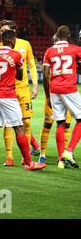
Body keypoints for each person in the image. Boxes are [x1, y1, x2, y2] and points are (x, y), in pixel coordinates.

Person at [0, 29, 46, 171]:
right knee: (19, 128)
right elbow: (19, 76)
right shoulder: (16, 55)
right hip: (8, 95)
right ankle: (29, 163)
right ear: (13, 41)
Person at [0, 20, 40, 166]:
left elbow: (32, 65)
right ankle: (9, 157)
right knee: (8, 124)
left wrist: (35, 85)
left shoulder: (25, 44)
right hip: (8, 90)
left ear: (14, 31)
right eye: (1, 31)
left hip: (23, 88)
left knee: (26, 122)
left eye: (6, 30)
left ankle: (24, 156)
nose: (3, 33)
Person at [43, 25, 81, 169]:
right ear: (69, 36)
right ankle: (69, 151)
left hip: (54, 90)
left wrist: (47, 96)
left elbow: (46, 75)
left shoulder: (49, 51)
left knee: (59, 122)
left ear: (57, 37)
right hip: (69, 88)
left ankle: (60, 160)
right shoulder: (74, 49)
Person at [38, 33, 72, 165]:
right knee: (48, 125)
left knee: (66, 126)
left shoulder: (52, 54)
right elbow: (46, 76)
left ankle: (63, 154)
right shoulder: (51, 54)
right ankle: (42, 154)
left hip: (63, 94)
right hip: (56, 94)